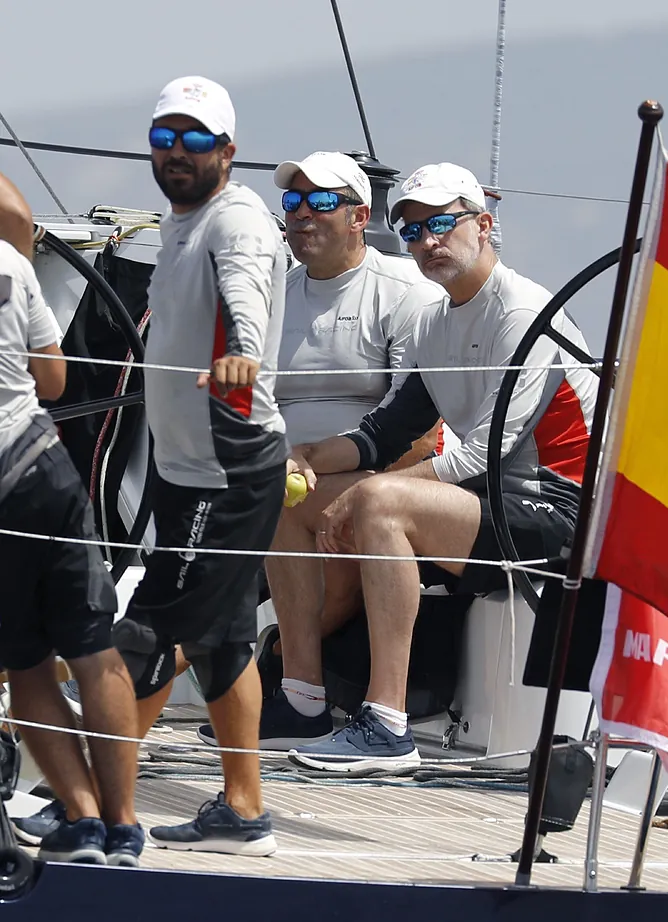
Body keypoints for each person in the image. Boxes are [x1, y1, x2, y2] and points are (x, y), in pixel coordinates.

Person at [282, 162, 597, 771]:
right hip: (486, 508)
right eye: (413, 231)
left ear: (483, 225)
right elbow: (383, 434)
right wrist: (313, 458)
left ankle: (386, 724)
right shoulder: (436, 320)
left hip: (562, 512)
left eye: (442, 225)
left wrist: (364, 494)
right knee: (290, 493)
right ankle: (302, 699)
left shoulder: (523, 311)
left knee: (380, 501)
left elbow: (483, 452)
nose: (427, 242)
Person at [196, 151, 444, 750]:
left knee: (280, 504)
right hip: (288, 473)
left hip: (383, 473)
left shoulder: (404, 292)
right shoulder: (273, 295)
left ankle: (137, 685)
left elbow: (417, 428)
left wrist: (349, 483)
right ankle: (292, 695)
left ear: (361, 215)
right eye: (294, 202)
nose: (302, 215)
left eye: (322, 202)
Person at [109, 75, 289, 855]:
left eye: (192, 140)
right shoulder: (181, 221)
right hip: (192, 469)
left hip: (229, 465)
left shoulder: (237, 218)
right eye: (163, 138)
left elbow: (245, 298)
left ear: (227, 150)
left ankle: (95, 803)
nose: (175, 153)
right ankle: (243, 814)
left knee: (149, 632)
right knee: (222, 641)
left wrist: (245, 357)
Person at [0, 173, 143, 866]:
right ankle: (121, 826)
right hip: (43, 470)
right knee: (91, 649)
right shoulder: (10, 265)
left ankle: (81, 820)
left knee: (25, 662)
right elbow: (53, 384)